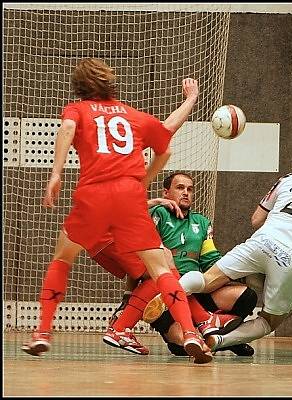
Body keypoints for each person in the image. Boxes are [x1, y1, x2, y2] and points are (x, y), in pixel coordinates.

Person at [21, 58, 213, 364]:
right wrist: (144, 181)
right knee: (162, 268)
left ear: (79, 87)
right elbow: (166, 143)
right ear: (110, 82)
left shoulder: (77, 109)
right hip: (129, 197)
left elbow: (68, 128)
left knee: (62, 259)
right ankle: (190, 332)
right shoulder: (131, 114)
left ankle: (42, 332)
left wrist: (56, 173)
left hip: (93, 196)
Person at [144, 135, 292, 352]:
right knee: (269, 320)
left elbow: (256, 219)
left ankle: (169, 295)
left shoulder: (288, 178)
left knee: (206, 281)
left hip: (262, 242)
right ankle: (219, 341)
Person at [106, 172, 258, 357]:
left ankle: (220, 336)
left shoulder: (202, 223)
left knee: (245, 295)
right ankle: (210, 330)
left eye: (190, 189)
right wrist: (127, 295)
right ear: (166, 193)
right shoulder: (158, 214)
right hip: (163, 297)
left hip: (196, 289)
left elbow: (211, 259)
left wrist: (237, 271)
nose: (186, 192)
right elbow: (142, 258)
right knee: (183, 341)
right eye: (180, 188)